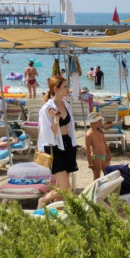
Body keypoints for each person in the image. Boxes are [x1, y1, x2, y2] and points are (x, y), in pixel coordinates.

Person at [38, 76, 78, 208]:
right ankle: (43, 200)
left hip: (68, 145)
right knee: (66, 189)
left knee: (61, 187)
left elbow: (70, 127)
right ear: (56, 88)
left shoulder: (66, 105)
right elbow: (48, 134)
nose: (68, 89)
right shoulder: (46, 109)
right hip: (54, 148)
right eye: (65, 86)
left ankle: (57, 210)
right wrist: (56, 119)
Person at [85, 112, 111, 180]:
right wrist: (90, 162)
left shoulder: (100, 131)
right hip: (96, 157)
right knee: (97, 176)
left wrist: (109, 153)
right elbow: (87, 149)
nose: (101, 122)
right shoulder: (89, 134)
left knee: (107, 174)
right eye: (99, 121)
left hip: (104, 156)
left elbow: (104, 143)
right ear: (93, 122)